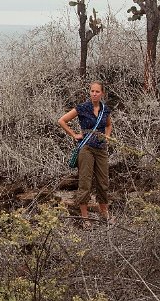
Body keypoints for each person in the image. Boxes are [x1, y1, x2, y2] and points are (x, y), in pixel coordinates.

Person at [58, 81, 113, 226]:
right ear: (90, 92)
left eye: (97, 91)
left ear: (102, 93)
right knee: (85, 182)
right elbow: (62, 121)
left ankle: (104, 214)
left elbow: (108, 125)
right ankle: (85, 217)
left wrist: (107, 137)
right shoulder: (82, 107)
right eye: (92, 91)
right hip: (86, 148)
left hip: (101, 149)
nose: (94, 94)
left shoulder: (105, 110)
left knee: (103, 182)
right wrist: (74, 134)